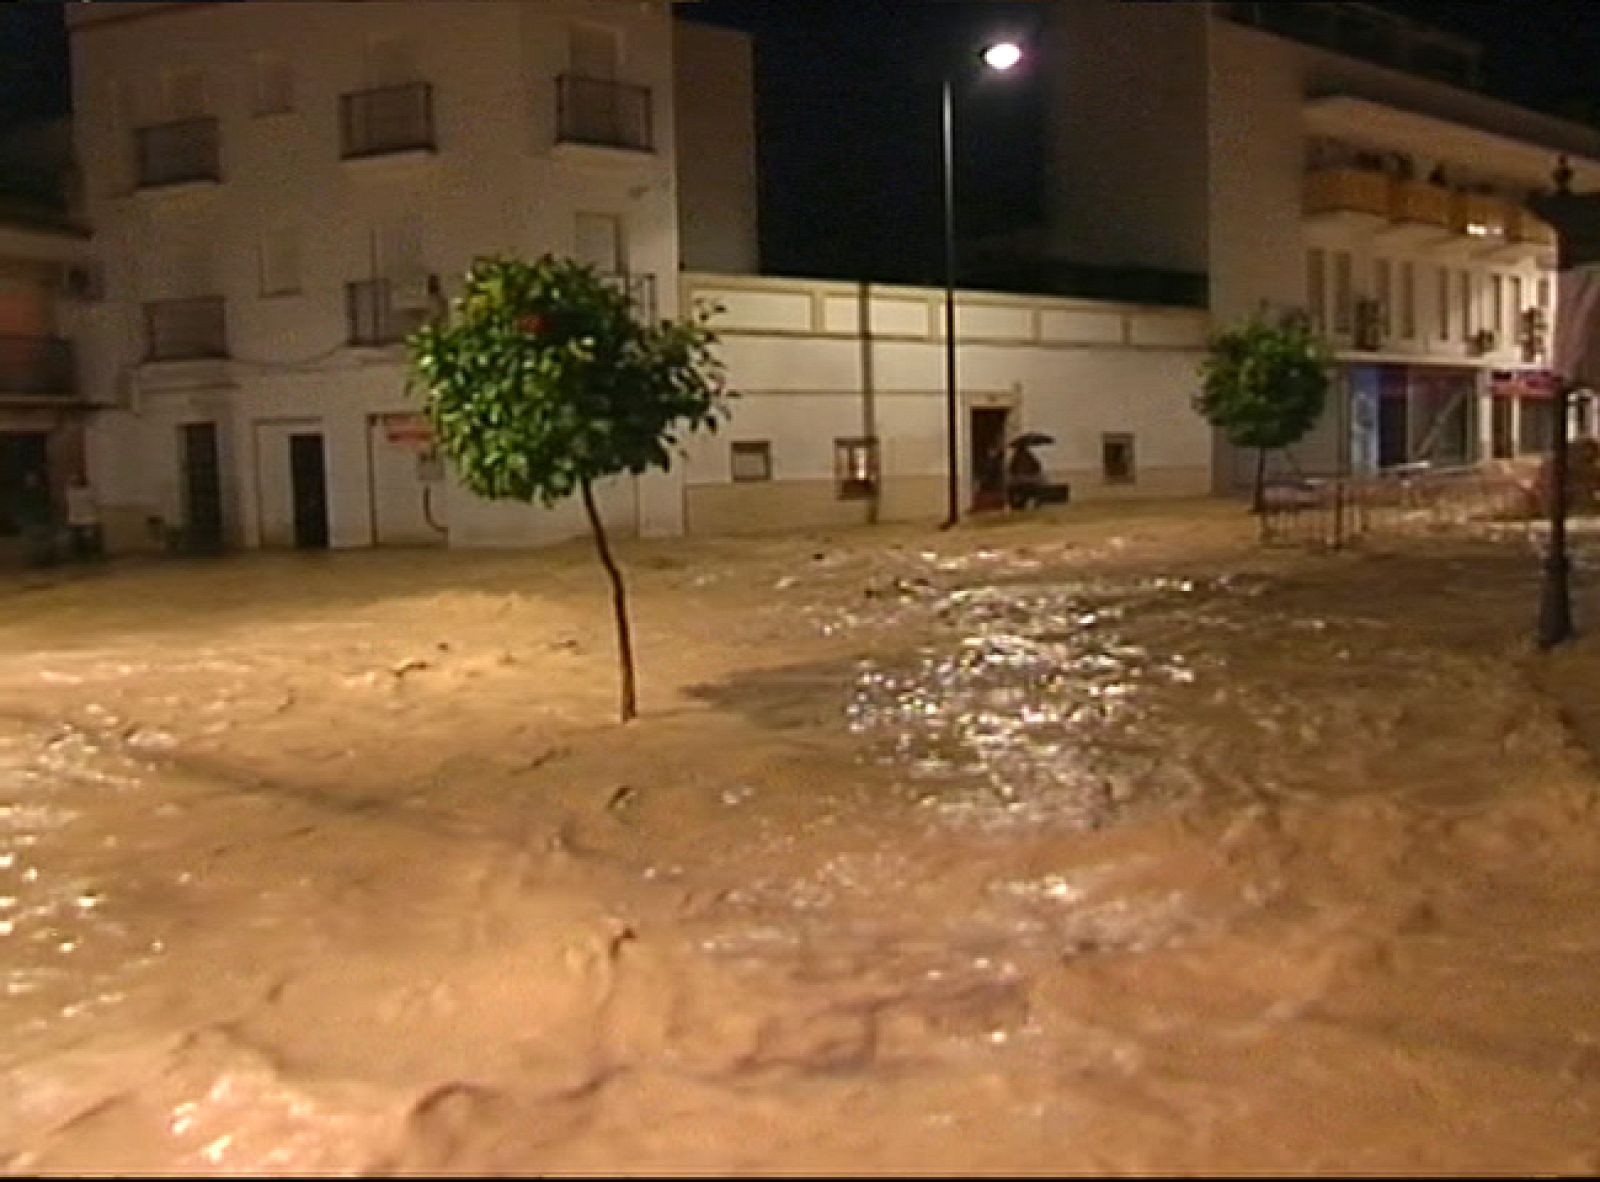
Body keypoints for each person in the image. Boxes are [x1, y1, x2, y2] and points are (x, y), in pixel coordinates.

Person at [15, 470, 56, 568]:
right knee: (33, 544)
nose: (32, 482)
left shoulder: (42, 492)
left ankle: (45, 561)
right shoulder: (24, 495)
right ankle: (36, 562)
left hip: (42, 520)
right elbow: (21, 507)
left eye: (33, 480)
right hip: (31, 521)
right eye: (30, 480)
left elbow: (48, 505)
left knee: (44, 543)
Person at [66, 475, 103, 562]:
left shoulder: (71, 492)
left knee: (83, 540)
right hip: (86, 519)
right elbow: (95, 501)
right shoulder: (87, 492)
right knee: (85, 540)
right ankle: (89, 556)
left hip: (82, 520)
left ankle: (84, 556)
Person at [1007, 440, 1044, 510]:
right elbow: (1037, 466)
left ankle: (1015, 505)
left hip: (1019, 482)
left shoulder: (1016, 457)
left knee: (1011, 489)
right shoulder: (1029, 456)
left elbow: (1011, 469)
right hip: (1030, 481)